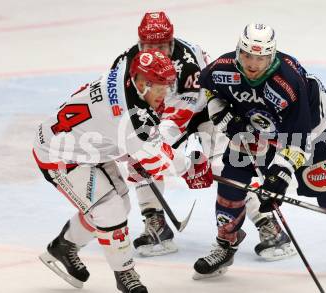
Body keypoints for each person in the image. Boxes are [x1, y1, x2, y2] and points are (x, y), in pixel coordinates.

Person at [193, 23, 326, 279]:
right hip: (255, 129)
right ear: (238, 50)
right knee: (232, 181)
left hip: (310, 131)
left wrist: (278, 178)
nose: (252, 64)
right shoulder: (223, 67)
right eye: (247, 55)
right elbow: (207, 88)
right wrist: (219, 109)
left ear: (271, 56)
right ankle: (225, 243)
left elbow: (300, 141)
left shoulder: (288, 82)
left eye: (260, 58)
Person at [113, 11, 295, 261]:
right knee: (140, 161)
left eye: (162, 45)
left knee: (225, 166)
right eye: (149, 45)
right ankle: (155, 222)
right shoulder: (128, 61)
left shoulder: (187, 61)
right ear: (140, 42)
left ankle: (268, 224)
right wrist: (139, 143)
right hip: (160, 114)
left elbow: (184, 111)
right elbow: (122, 100)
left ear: (171, 40)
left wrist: (157, 145)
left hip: (205, 113)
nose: (156, 50)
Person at [33, 49, 212, 293]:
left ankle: (64, 246)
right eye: (160, 87)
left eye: (168, 86)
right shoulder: (131, 117)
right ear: (143, 83)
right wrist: (191, 167)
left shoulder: (125, 74)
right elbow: (158, 158)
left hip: (86, 144)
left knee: (119, 206)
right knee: (110, 211)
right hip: (60, 155)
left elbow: (128, 136)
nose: (166, 93)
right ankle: (125, 274)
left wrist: (132, 151)